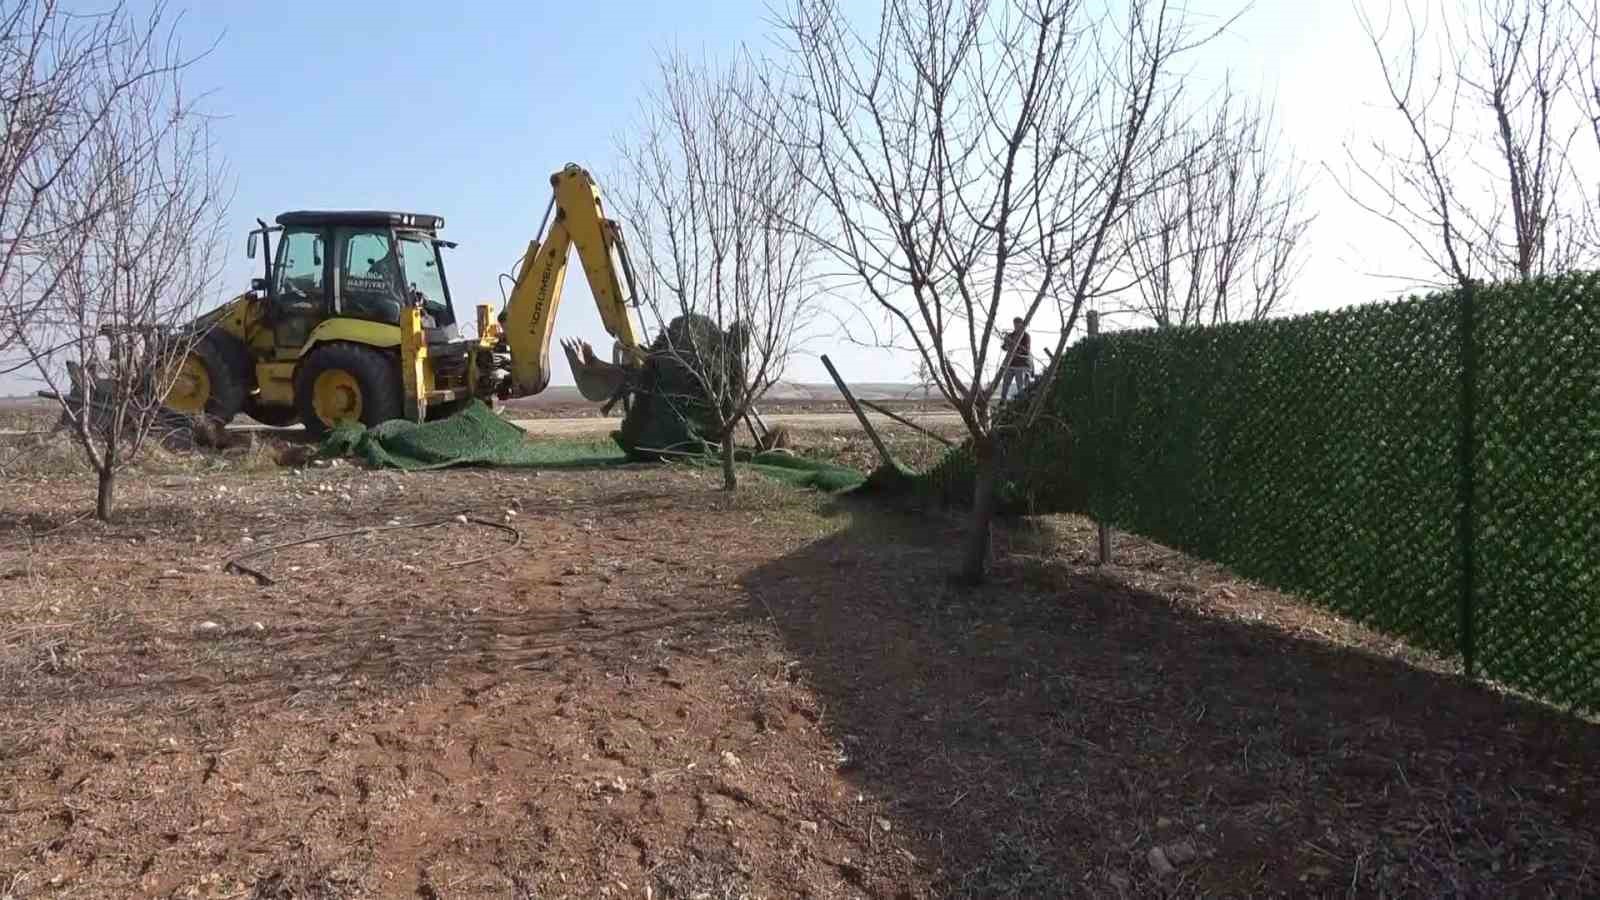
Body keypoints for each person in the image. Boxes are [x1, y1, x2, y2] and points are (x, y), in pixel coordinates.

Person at [999, 316, 1033, 402]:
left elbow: (1025, 350)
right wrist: (1006, 341)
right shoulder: (1011, 335)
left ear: (1022, 325)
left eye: (1018, 324)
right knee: (1005, 384)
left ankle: (1022, 403)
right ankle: (1003, 401)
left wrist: (1013, 343)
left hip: (1022, 365)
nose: (1016, 326)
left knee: (1020, 386)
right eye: (1015, 324)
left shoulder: (1026, 336)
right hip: (1011, 364)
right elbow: (1004, 348)